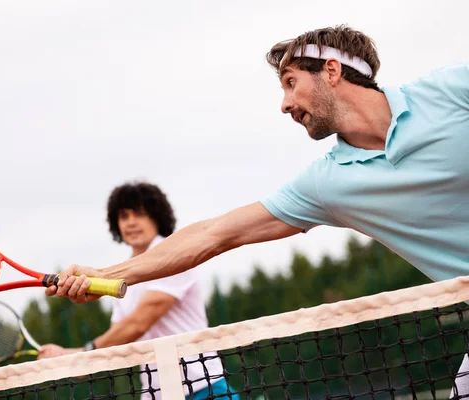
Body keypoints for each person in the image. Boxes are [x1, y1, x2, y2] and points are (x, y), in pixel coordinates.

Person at [47, 26, 469, 397]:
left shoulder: (451, 90)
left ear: (332, 71)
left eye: (290, 82)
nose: (284, 104)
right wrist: (106, 275)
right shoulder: (326, 184)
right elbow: (215, 234)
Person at [38, 181, 239, 400]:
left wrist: (83, 356)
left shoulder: (176, 256)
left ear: (156, 217)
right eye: (124, 216)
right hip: (156, 394)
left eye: (140, 214)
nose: (131, 222)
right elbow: (119, 339)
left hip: (204, 388)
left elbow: (137, 323)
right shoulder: (118, 278)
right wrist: (68, 357)